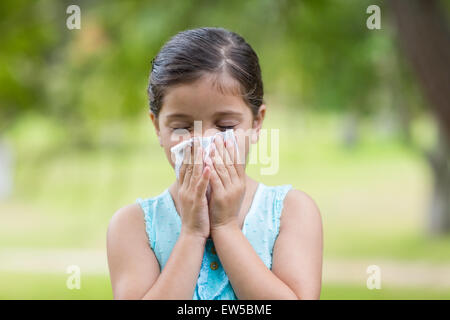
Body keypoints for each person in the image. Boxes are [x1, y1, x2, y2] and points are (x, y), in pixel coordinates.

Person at [107, 27, 323, 300]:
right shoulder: (133, 225)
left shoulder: (291, 212)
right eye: (183, 126)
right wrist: (191, 234)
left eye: (225, 125)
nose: (203, 141)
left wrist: (226, 227)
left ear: (257, 123)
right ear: (157, 127)